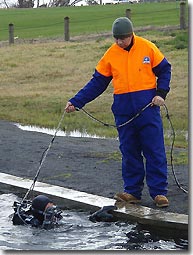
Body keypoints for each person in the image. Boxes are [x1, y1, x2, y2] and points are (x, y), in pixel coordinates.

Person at [65, 17, 171, 208]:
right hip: (123, 111)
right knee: (129, 151)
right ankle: (132, 192)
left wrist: (161, 93)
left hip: (148, 108)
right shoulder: (111, 54)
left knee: (154, 150)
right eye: (116, 39)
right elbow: (97, 83)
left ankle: (159, 193)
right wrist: (76, 101)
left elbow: (165, 70)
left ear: (131, 35)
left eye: (122, 39)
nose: (119, 42)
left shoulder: (148, 48)